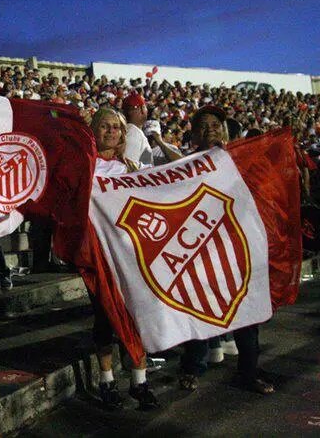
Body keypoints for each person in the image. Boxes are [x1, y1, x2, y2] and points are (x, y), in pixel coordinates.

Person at [177, 105, 274, 395]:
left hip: (238, 247)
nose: (211, 130)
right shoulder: (184, 166)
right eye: (204, 126)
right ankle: (192, 368)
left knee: (247, 311)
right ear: (194, 135)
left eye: (216, 124)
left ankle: (249, 371)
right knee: (200, 310)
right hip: (202, 250)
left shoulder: (239, 160)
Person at [87, 107, 159, 410]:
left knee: (137, 313)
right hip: (97, 254)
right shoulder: (84, 167)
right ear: (93, 130)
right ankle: (107, 381)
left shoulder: (129, 167)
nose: (110, 131)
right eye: (104, 126)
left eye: (116, 127)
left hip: (129, 254)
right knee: (105, 316)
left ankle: (139, 382)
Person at [122, 92, 153, 165]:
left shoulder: (131, 131)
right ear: (141, 109)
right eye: (145, 107)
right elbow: (128, 167)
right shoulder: (133, 133)